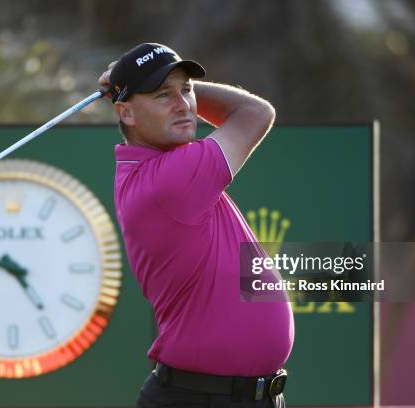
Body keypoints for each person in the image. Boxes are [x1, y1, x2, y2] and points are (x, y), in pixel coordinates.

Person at [98, 43, 294, 408]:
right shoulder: (172, 180)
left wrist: (142, 85)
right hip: (201, 399)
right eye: (162, 96)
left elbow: (244, 111)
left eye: (186, 90)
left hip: (236, 396)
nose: (184, 104)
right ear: (125, 113)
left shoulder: (155, 167)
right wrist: (142, 83)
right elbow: (255, 112)